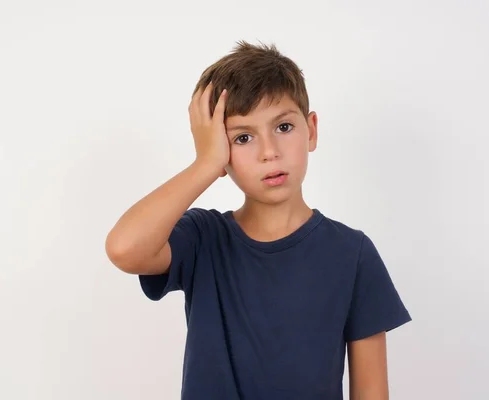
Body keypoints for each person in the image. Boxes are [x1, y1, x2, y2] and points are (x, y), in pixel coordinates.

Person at [105, 40, 412, 400]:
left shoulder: (352, 252)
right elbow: (125, 248)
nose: (269, 152)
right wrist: (205, 164)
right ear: (219, 148)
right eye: (244, 137)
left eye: (283, 127)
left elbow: (372, 392)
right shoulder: (203, 237)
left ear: (311, 130)